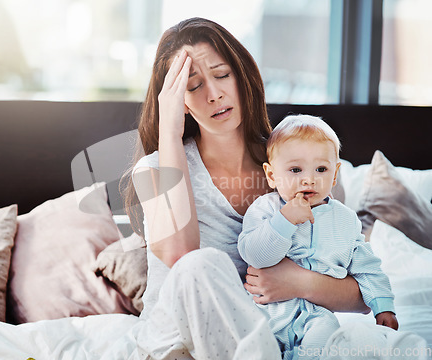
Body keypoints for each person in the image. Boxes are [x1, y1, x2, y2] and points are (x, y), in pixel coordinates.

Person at [120, 17, 369, 359]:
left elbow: (363, 295)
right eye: (193, 86)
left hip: (272, 341)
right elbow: (181, 255)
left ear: (242, 75)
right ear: (180, 102)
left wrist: (296, 282)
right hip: (178, 347)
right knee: (198, 265)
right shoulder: (153, 170)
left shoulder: (301, 168)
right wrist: (170, 132)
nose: (214, 93)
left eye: (222, 75)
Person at [238, 114, 399, 359]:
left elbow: (368, 268)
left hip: (316, 314)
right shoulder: (265, 209)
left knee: (327, 337)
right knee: (251, 346)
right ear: (271, 175)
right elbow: (254, 255)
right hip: (266, 311)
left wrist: (383, 306)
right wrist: (285, 220)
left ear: (334, 175)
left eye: (321, 169)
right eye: (295, 169)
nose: (309, 178)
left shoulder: (345, 220)